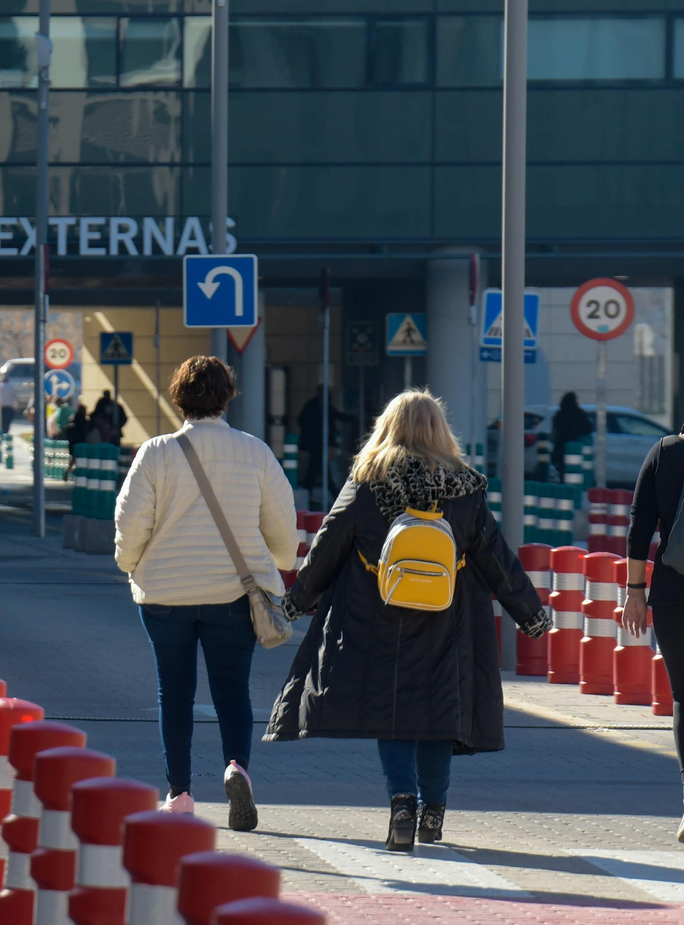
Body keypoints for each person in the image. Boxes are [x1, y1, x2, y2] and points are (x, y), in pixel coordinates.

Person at [266, 390, 550, 852]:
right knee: (439, 714)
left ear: (387, 427)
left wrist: (296, 601)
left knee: (392, 714)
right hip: (447, 620)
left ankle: (402, 802)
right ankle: (433, 812)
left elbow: (328, 547)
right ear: (440, 431)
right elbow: (495, 558)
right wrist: (531, 615)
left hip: (378, 618)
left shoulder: (366, 482)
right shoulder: (466, 488)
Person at [114, 356, 297, 831]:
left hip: (165, 592)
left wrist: (130, 562)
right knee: (232, 689)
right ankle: (237, 767)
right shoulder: (255, 452)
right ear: (226, 397)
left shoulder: (155, 453)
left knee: (173, 692)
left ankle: (179, 794)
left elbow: (131, 521)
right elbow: (282, 526)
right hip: (235, 594)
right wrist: (280, 559)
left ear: (179, 398)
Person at [620, 424, 684, 843]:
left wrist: (635, 593)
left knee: (683, 696)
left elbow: (640, 524)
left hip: (672, 592)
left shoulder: (665, 453)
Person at [297, 384, 358, 505]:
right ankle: (339, 499)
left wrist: (354, 417)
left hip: (318, 444)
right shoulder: (314, 406)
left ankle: (309, 497)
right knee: (321, 473)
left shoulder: (323, 406)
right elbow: (303, 420)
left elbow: (336, 415)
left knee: (314, 472)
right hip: (315, 443)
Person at [550, 391, 593, 475]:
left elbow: (556, 430)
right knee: (574, 470)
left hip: (560, 446)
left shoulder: (559, 414)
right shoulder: (579, 413)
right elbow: (588, 428)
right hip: (575, 444)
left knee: (563, 470)